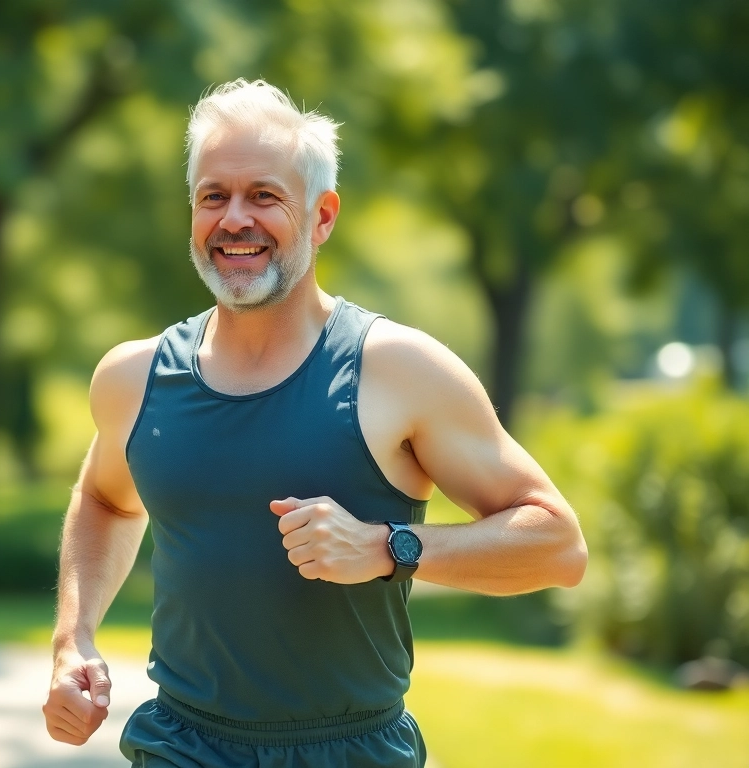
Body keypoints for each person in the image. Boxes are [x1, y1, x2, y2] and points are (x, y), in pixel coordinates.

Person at [41, 78, 588, 767]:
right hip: (180, 746)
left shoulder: (400, 370)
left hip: (350, 751)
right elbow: (103, 501)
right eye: (214, 196)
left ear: (323, 215)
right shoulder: (134, 378)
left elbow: (559, 546)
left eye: (264, 196)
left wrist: (389, 547)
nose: (234, 219)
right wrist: (74, 638)